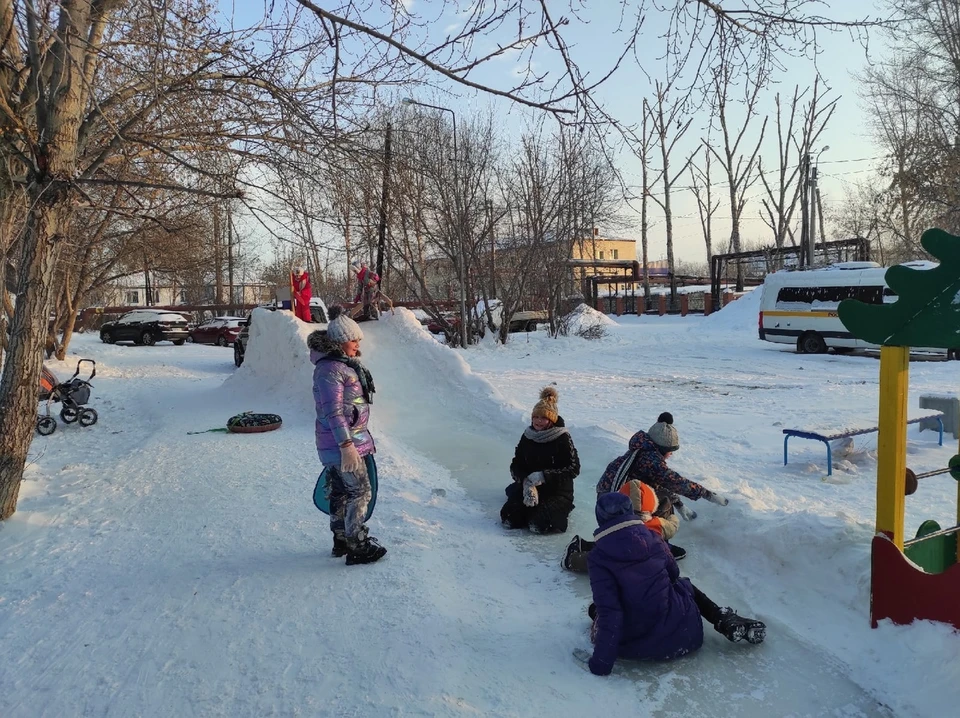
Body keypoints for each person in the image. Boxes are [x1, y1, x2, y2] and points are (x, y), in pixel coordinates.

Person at [585, 492, 765, 676]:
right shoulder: (654, 538)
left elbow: (611, 613)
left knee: (597, 610)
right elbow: (674, 574)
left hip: (639, 646)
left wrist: (601, 664)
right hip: (687, 634)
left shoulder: (598, 557)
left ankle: (604, 618)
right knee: (682, 585)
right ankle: (720, 615)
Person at [308, 306, 386, 565]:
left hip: (343, 442)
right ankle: (357, 544)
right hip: (343, 444)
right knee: (361, 492)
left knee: (341, 492)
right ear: (341, 342)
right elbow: (332, 411)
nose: (358, 343)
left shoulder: (340, 365)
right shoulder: (331, 370)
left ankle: (341, 539)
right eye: (354, 339)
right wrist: (346, 445)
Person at [593, 411, 729, 559]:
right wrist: (707, 494)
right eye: (670, 450)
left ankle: (642, 539)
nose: (671, 454)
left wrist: (680, 505)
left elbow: (657, 484)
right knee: (663, 502)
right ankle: (657, 545)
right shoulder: (652, 462)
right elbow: (676, 482)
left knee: (657, 495)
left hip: (606, 505)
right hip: (616, 511)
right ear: (662, 449)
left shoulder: (641, 450)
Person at [500, 387, 580, 534]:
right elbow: (516, 463)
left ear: (551, 420)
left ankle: (561, 508)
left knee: (539, 524)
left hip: (557, 491)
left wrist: (543, 476)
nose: (538, 421)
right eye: (536, 417)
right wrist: (525, 481)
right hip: (529, 487)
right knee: (510, 518)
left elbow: (573, 469)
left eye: (543, 418)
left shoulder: (562, 437)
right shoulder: (528, 435)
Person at [562, 478, 678, 572]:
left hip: (617, 556)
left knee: (600, 558)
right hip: (645, 558)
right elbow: (672, 527)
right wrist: (672, 518)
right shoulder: (657, 523)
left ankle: (572, 559)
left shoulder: (616, 527)